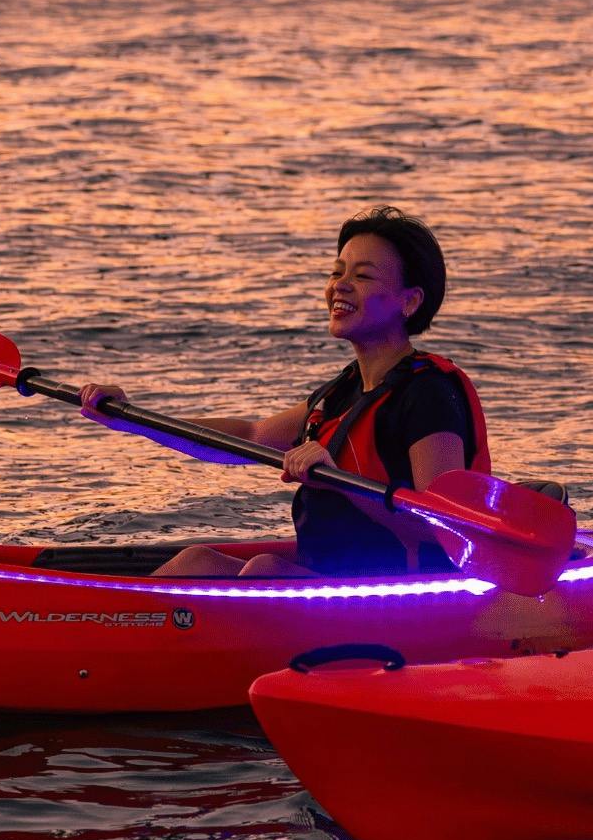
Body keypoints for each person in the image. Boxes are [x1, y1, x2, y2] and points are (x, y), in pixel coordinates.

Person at [78, 207, 488, 579]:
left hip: (400, 597)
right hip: (333, 580)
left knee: (263, 570)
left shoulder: (429, 395)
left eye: (361, 276)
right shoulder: (341, 394)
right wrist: (130, 418)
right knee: (197, 561)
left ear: (410, 300)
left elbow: (445, 528)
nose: (340, 286)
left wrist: (339, 482)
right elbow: (249, 438)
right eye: (337, 272)